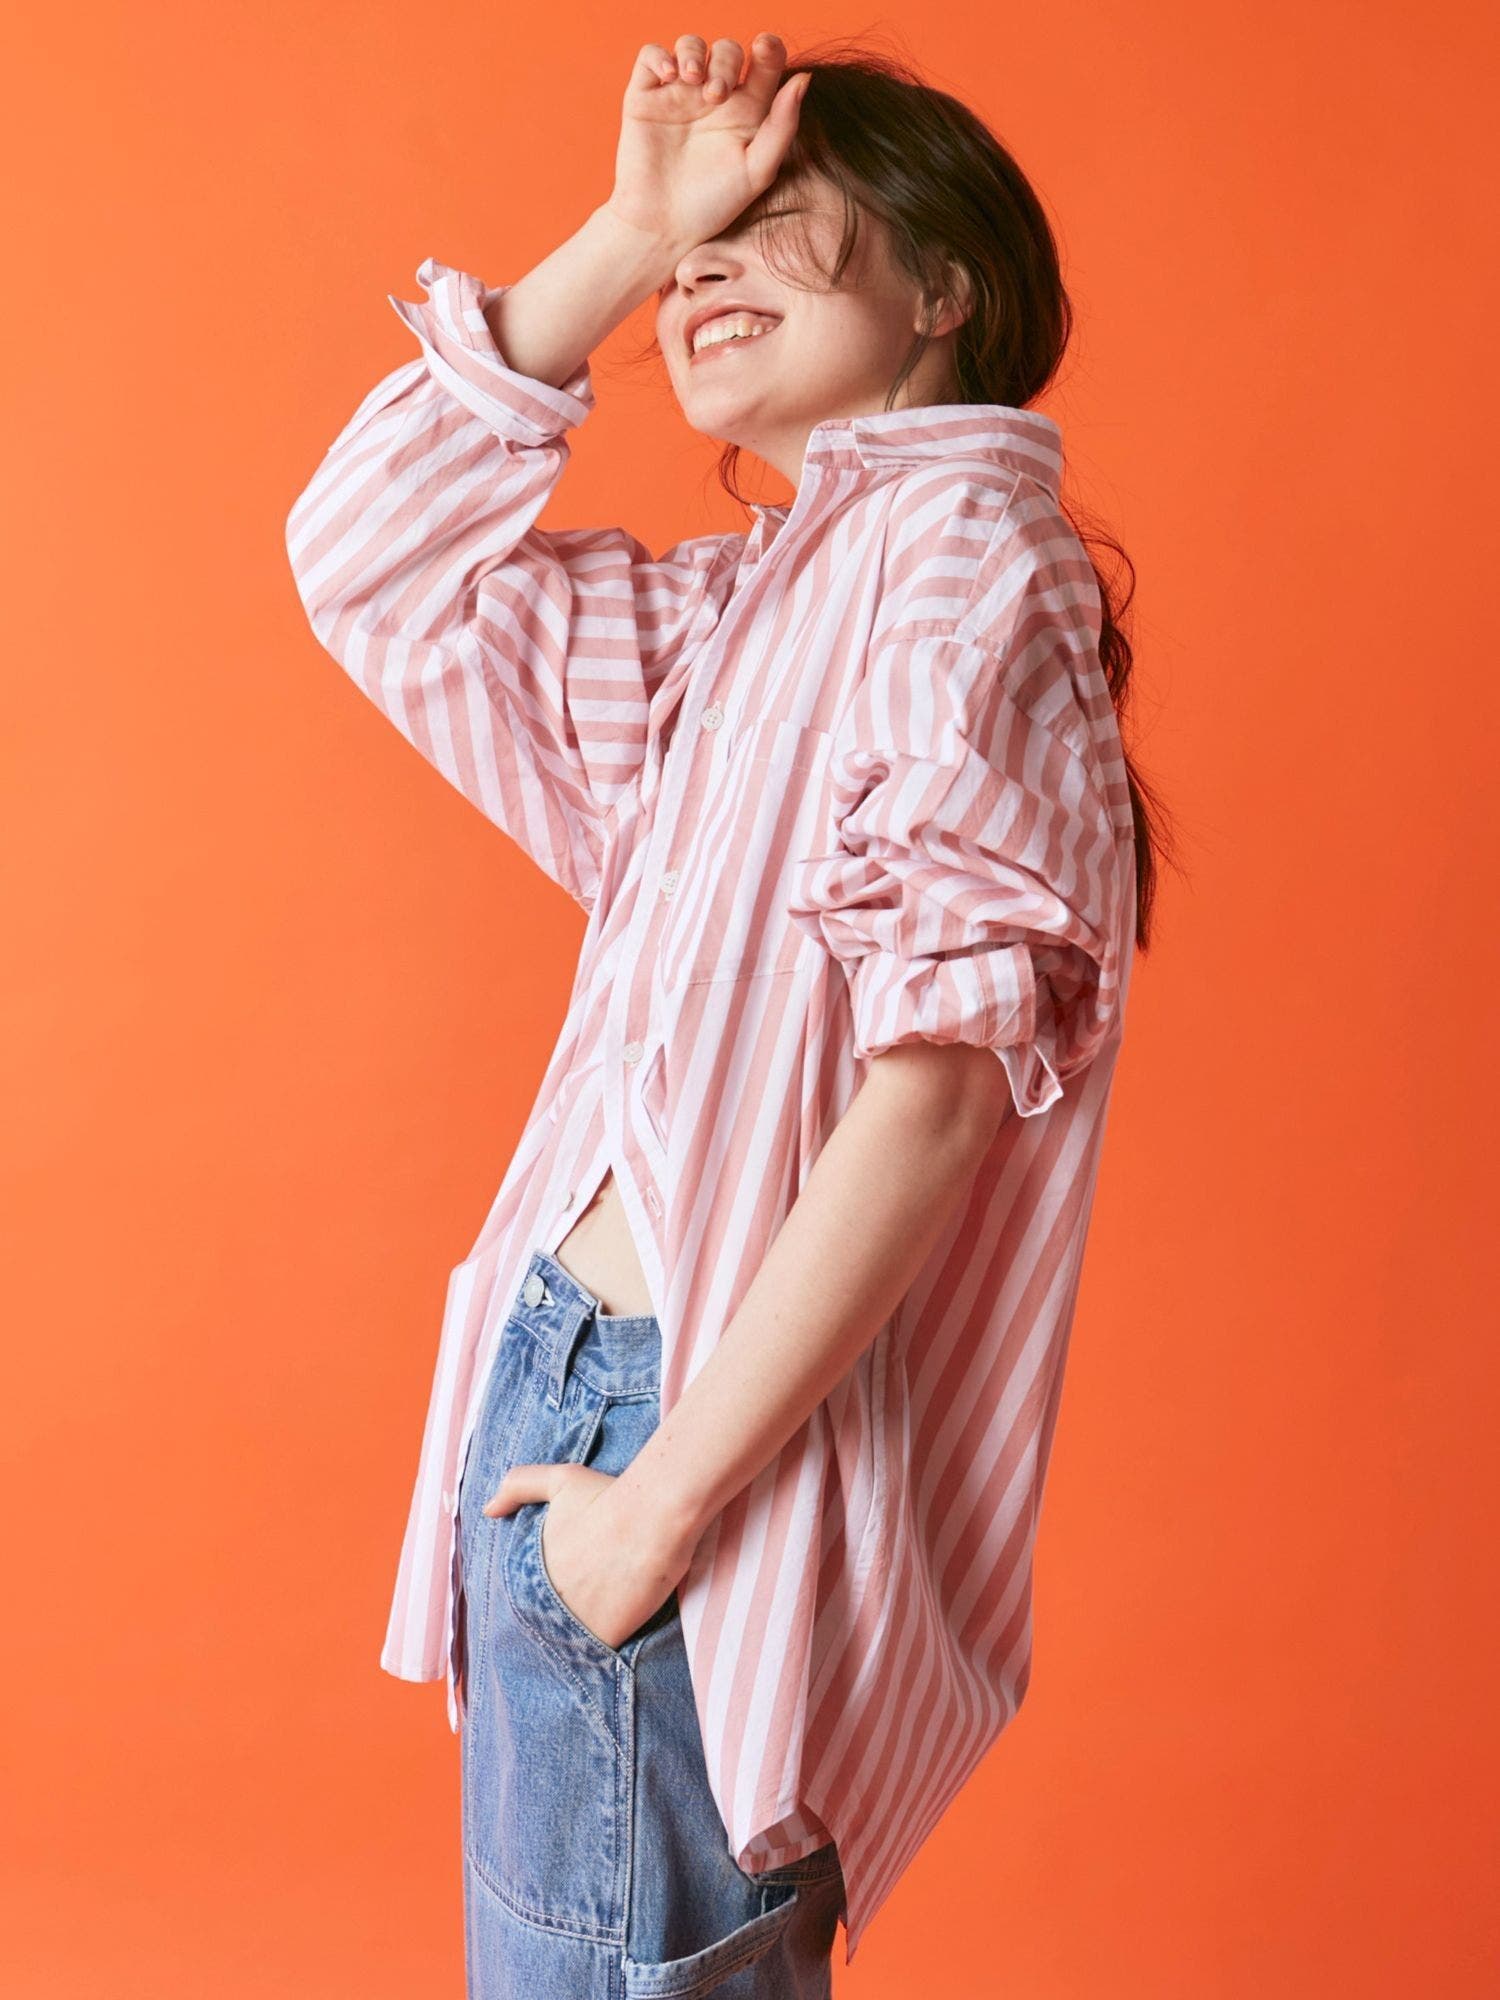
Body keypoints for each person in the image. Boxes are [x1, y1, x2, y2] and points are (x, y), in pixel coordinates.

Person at [285, 30, 1167, 1997]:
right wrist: (621, 228)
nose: (701, 270)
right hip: (593, 1400)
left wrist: (660, 1509)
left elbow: (931, 1102)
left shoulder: (958, 557)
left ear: (946, 286)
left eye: (770, 219)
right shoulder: (748, 616)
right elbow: (363, 563)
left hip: (677, 1442)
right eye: (693, 247)